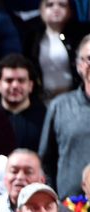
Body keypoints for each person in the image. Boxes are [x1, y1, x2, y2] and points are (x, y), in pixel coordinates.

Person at [39, 35, 90, 198]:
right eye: (88, 59)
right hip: (69, 210)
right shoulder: (59, 107)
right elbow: (45, 162)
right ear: (79, 65)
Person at [24, 0, 85, 101]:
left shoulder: (80, 36)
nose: (56, 8)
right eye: (49, 5)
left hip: (74, 98)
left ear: (70, 10)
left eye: (62, 5)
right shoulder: (32, 38)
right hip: (42, 99)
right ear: (41, 9)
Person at [0, 54, 46, 153]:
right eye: (9, 80)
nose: (15, 85)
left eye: (21, 80)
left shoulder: (45, 118)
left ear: (30, 85)